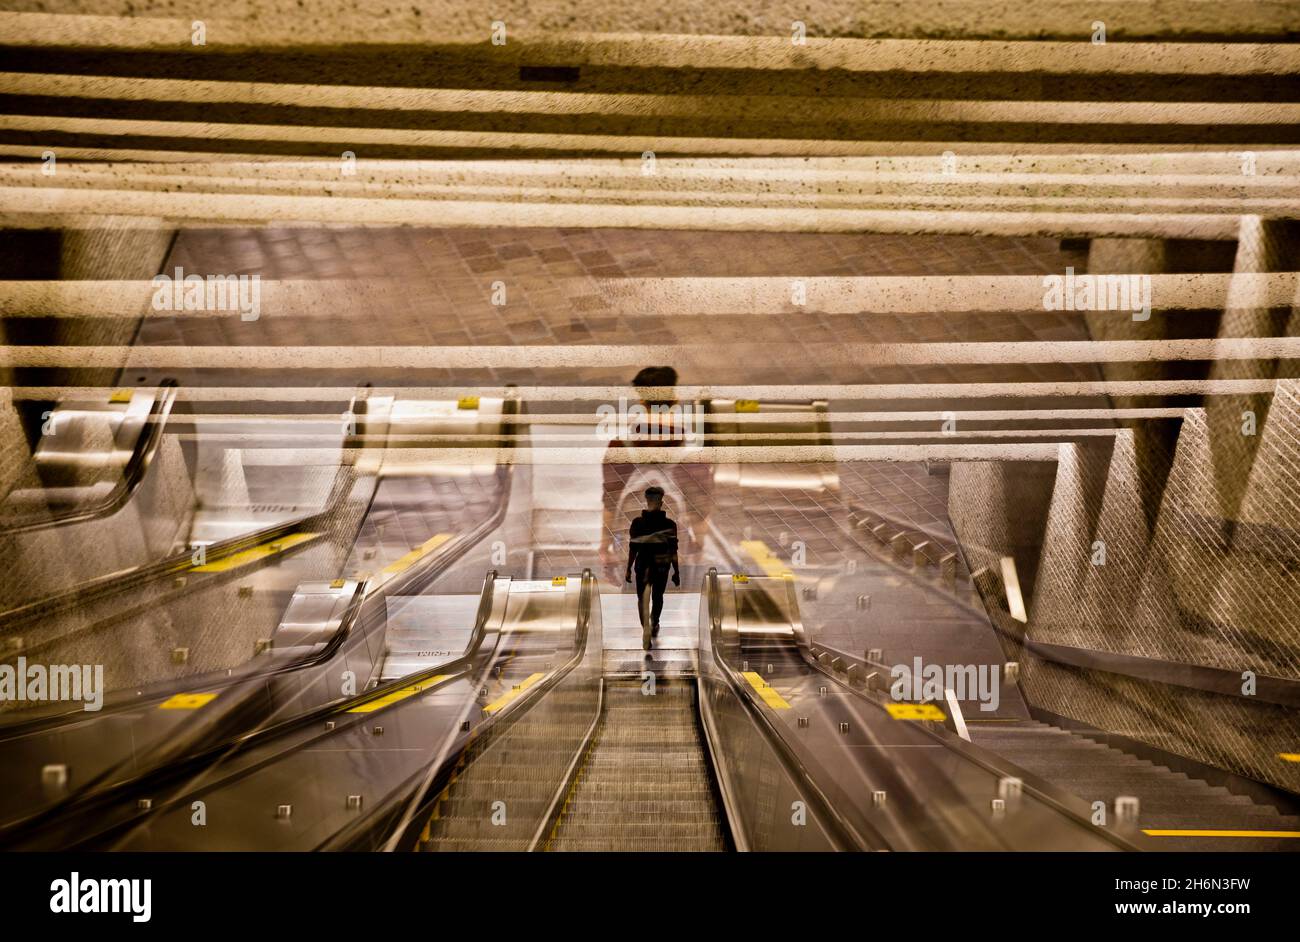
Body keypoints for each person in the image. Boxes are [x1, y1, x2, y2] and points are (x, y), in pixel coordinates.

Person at [626, 485, 680, 650]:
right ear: (662, 503)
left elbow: (633, 548)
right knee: (658, 597)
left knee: (642, 599)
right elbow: (673, 550)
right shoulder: (670, 524)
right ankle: (654, 622)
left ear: (647, 501)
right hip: (661, 567)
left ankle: (645, 629)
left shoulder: (637, 523)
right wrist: (676, 571)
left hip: (642, 565)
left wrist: (628, 567)